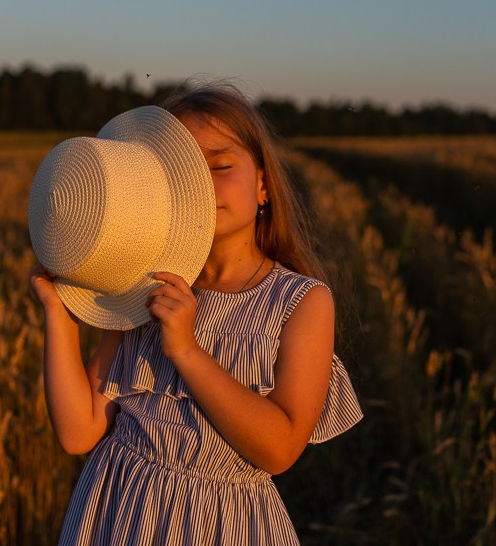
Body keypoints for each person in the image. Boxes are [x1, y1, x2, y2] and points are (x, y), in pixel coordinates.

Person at [29, 82, 362, 545]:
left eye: (220, 165)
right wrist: (60, 314)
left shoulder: (300, 302)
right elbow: (77, 431)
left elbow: (280, 448)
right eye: (179, 173)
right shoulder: (141, 289)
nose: (203, 184)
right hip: (115, 516)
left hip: (222, 526)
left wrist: (186, 350)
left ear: (263, 185)